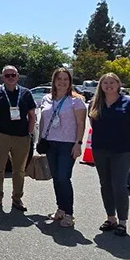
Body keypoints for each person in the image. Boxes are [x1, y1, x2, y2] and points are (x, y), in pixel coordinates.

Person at [89, 72, 130, 237]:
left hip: (122, 151)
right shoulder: (95, 103)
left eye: (112, 82)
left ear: (118, 84)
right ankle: (110, 218)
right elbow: (93, 124)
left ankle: (122, 222)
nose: (108, 86)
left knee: (119, 186)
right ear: (101, 86)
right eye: (105, 83)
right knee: (105, 184)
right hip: (100, 149)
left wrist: (129, 141)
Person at [37, 68, 88, 227]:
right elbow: (43, 120)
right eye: (59, 79)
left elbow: (81, 123)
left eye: (66, 79)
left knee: (63, 178)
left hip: (67, 144)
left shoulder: (76, 100)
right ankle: (60, 209)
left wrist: (78, 143)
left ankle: (69, 214)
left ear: (70, 82)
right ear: (54, 81)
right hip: (50, 142)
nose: (62, 82)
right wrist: (40, 140)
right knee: (56, 178)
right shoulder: (46, 99)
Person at [0, 65, 36, 211]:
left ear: (18, 76)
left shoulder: (26, 93)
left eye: (13, 75)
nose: (11, 78)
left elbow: (32, 116)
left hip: (22, 137)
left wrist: (29, 134)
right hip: (1, 135)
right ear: (2, 78)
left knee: (19, 170)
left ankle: (17, 199)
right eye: (7, 75)